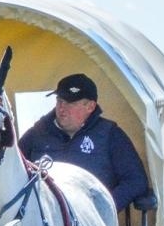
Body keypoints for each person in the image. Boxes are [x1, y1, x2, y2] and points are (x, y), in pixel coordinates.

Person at [18, 73, 151, 211]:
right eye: (59, 101)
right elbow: (11, 168)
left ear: (90, 107)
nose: (62, 108)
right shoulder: (37, 133)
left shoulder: (109, 134)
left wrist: (105, 208)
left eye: (71, 103)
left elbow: (136, 180)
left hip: (92, 223)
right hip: (45, 219)